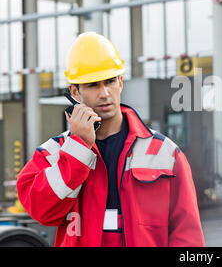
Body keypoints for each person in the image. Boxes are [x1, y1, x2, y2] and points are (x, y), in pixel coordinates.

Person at [16, 32, 205, 247]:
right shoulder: (53, 153)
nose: (104, 93)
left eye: (110, 81)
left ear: (121, 82)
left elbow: (187, 235)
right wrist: (78, 149)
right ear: (74, 92)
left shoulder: (165, 153)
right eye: (93, 85)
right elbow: (41, 211)